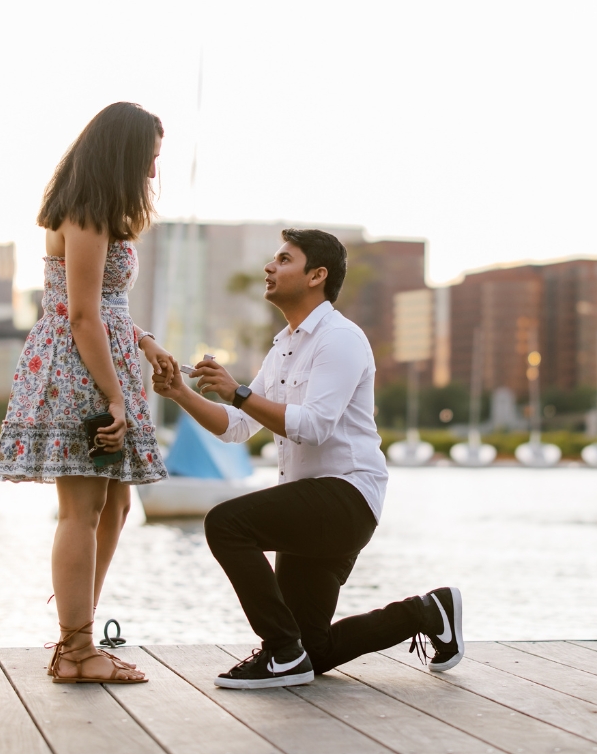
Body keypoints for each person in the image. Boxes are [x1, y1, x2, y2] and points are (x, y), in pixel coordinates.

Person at [153, 228, 463, 689]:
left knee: (225, 524)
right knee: (312, 651)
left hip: (347, 497)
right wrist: (180, 393)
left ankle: (279, 650)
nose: (269, 267)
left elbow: (314, 424)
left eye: (283, 259)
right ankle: (426, 611)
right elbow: (237, 427)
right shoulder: (283, 347)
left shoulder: (340, 339)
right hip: (309, 508)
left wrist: (238, 392)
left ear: (317, 275)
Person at [0, 102, 174, 684]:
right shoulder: (87, 213)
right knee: (82, 509)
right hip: (82, 370)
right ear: (121, 153)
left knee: (115, 506)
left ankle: (78, 641)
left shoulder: (102, 212)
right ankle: (74, 650)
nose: (150, 172)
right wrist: (115, 397)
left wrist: (143, 341)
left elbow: (107, 309)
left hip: (105, 360)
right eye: (147, 158)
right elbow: (81, 316)